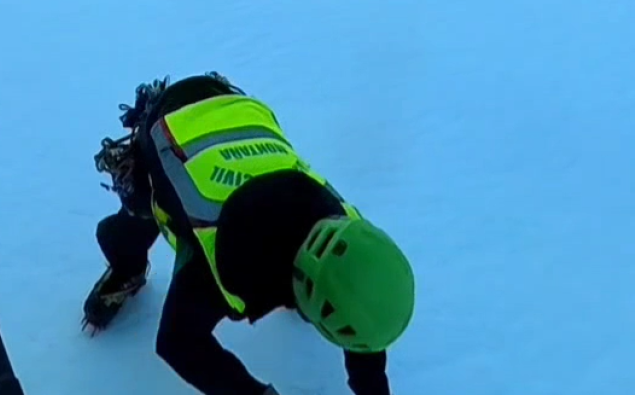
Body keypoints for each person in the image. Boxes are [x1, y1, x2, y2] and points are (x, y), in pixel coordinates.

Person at [83, 72, 415, 395]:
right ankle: (128, 270)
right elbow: (177, 342)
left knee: (333, 289)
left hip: (239, 113)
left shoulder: (344, 223)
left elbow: (362, 297)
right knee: (149, 214)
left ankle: (305, 293)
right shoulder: (230, 262)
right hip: (168, 129)